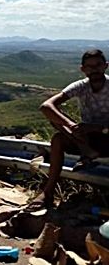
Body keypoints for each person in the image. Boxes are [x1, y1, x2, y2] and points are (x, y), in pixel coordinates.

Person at [31, 49, 109, 209]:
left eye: (98, 65)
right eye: (89, 66)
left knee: (60, 127)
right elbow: (46, 106)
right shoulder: (81, 86)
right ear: (83, 69)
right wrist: (72, 125)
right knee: (57, 134)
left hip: (106, 136)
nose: (94, 69)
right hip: (87, 137)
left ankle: (87, 151)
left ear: (106, 66)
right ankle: (48, 192)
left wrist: (97, 128)